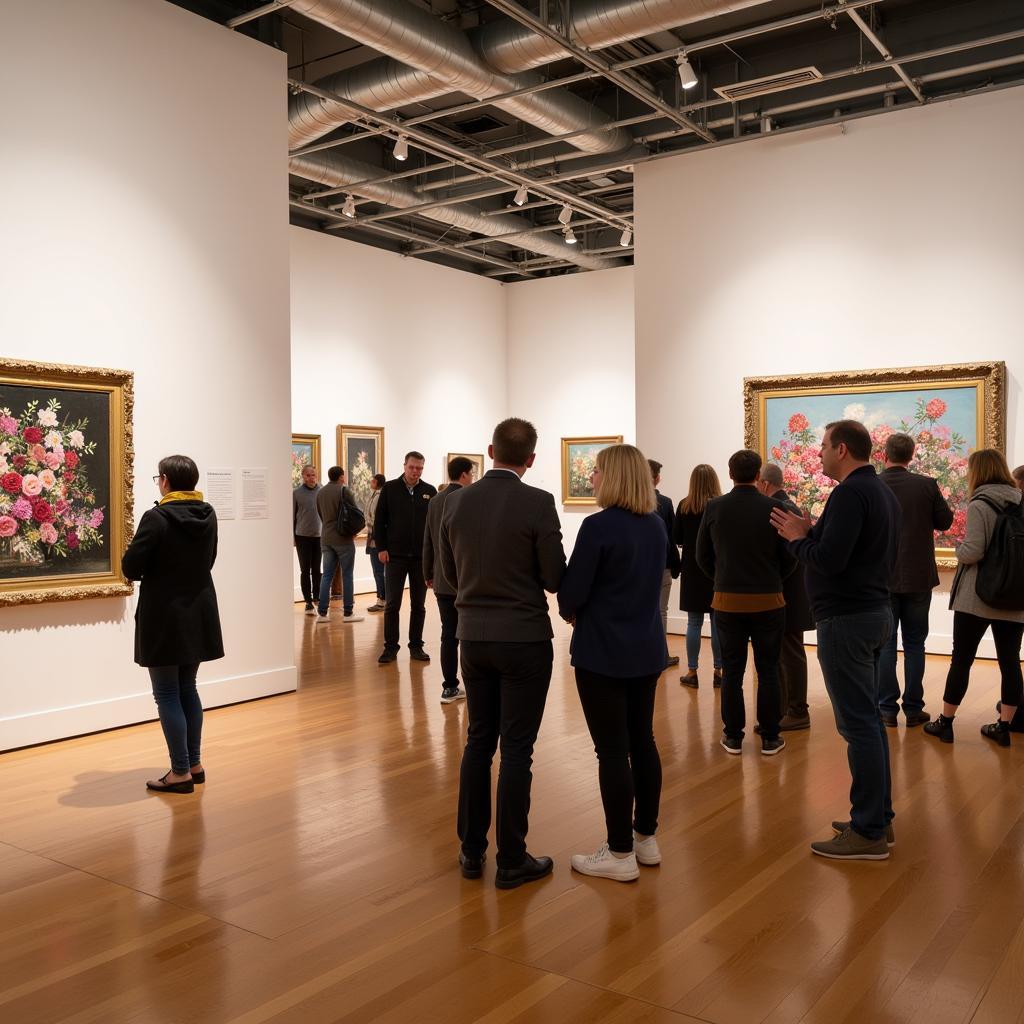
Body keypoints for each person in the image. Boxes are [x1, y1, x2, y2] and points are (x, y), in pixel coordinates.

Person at [439, 418, 566, 890]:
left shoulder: (456, 501)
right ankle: (512, 858)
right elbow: (554, 576)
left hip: (472, 637)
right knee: (516, 749)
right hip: (525, 639)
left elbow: (449, 574)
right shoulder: (538, 502)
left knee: (478, 740)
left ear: (489, 451)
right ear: (530, 459)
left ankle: (472, 851)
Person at [772, 420, 901, 861]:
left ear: (842, 449)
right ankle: (877, 818)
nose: (821, 453)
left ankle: (867, 832)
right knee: (868, 722)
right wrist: (811, 531)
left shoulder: (850, 493)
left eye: (824, 446)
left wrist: (795, 541)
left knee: (858, 725)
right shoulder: (880, 490)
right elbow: (852, 550)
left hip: (846, 619)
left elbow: (829, 561)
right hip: (874, 613)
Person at [560, 445, 666, 882]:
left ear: (615, 476)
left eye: (599, 471)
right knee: (642, 741)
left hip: (603, 652)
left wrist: (570, 606)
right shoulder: (657, 526)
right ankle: (645, 838)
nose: (594, 477)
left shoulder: (598, 527)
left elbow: (572, 594)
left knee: (611, 750)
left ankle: (619, 851)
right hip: (645, 649)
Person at [122, 455, 224, 794]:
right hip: (199, 611)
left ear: (165, 480)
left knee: (166, 692)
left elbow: (131, 566)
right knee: (187, 688)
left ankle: (179, 772)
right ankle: (193, 764)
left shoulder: (157, 517)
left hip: (164, 614)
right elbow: (209, 560)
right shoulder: (208, 515)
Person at [697, 450, 795, 756]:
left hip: (727, 602)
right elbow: (789, 556)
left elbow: (702, 556)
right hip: (769, 600)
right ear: (758, 477)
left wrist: (722, 579)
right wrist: (773, 579)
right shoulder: (775, 506)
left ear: (730, 474)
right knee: (768, 670)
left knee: (732, 670)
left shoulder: (715, 507)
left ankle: (734, 736)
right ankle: (769, 736)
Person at [923, 449, 1024, 746]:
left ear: (977, 472)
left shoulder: (980, 503)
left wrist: (958, 549)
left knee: (961, 660)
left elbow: (973, 551)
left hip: (977, 598)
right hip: (1014, 595)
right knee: (1010, 662)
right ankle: (1004, 727)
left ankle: (946, 723)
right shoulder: (1020, 499)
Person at [878, 432, 954, 727]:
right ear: (911, 455)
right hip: (919, 577)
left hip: (883, 579)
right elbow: (945, 522)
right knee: (915, 644)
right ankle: (912, 708)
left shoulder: (875, 485)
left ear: (885, 454)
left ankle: (886, 709)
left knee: (885, 646)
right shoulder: (926, 485)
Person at [757, 463, 815, 730]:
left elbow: (789, 555)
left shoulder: (778, 509)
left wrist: (772, 581)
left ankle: (796, 710)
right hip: (794, 592)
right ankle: (785, 709)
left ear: (765, 484)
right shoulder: (788, 505)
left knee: (789, 653)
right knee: (785, 652)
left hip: (787, 593)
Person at [374, 452, 437, 664]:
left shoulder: (429, 491)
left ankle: (416, 646)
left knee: (418, 605)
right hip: (395, 557)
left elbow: (433, 527)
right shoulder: (390, 489)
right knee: (392, 604)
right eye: (412, 467)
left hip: (420, 558)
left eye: (419, 468)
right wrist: (381, 547)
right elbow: (380, 521)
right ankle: (390, 647)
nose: (415, 472)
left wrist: (433, 556)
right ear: (405, 465)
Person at [424, 456, 475, 704]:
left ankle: (449, 687)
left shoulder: (434, 501)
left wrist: (428, 573)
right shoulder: (470, 498)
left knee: (448, 634)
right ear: (464, 475)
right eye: (471, 474)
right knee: (467, 634)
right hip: (466, 579)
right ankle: (471, 684)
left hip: (442, 580)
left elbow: (429, 540)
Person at [673, 464, 723, 689]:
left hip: (692, 568)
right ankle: (718, 671)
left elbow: (678, 538)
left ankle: (692, 671)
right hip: (715, 567)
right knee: (716, 621)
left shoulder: (685, 506)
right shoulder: (720, 506)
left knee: (693, 622)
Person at [314, 466, 364, 625]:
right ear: (341, 477)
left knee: (327, 575)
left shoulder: (320, 492)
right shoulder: (344, 491)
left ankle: (322, 613)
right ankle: (348, 612)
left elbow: (321, 514)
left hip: (326, 537)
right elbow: (355, 513)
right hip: (343, 538)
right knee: (347, 574)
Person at [649, 459, 681, 670]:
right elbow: (672, 537)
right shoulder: (666, 503)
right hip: (661, 565)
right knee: (661, 611)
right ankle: (661, 655)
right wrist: (675, 564)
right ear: (657, 478)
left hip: (638, 567)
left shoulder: (630, 501)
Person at [293, 464, 322, 615]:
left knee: (317, 569)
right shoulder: (296, 493)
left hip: (319, 536)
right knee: (305, 570)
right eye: (308, 475)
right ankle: (308, 601)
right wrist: (292, 537)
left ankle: (317, 597)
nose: (311, 478)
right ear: (303, 476)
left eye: (313, 475)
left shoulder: (322, 490)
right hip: (302, 536)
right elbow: (292, 515)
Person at [364, 473, 387, 612]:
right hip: (373, 536)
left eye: (372, 480)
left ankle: (382, 599)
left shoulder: (378, 497)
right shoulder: (375, 495)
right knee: (377, 570)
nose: (370, 482)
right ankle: (382, 598)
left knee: (378, 570)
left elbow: (374, 518)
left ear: (377, 482)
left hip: (376, 538)